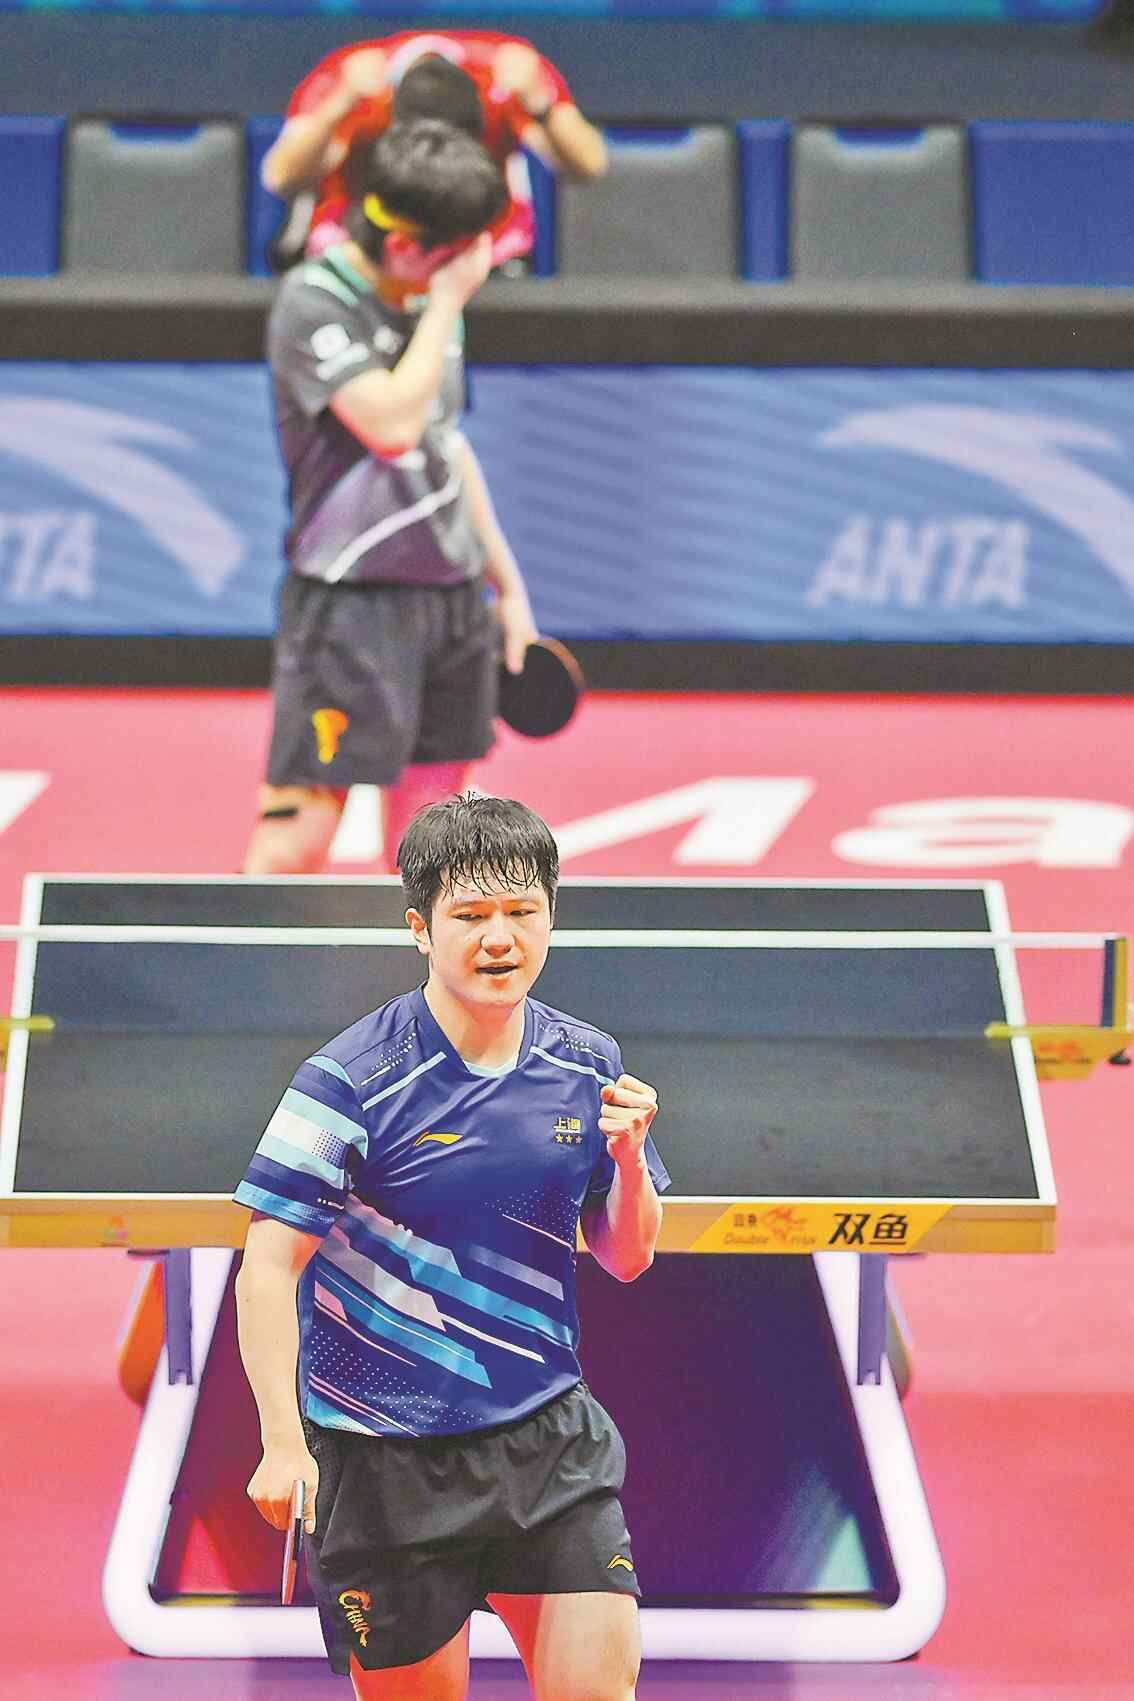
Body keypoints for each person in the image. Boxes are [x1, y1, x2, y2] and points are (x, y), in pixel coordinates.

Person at [234, 793, 668, 1700]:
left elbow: (625, 1256)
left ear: (551, 916)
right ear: (420, 929)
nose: (499, 938)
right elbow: (268, 1266)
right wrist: (281, 1441)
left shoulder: (586, 1063)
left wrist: (629, 1162)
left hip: (546, 1440)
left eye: (521, 911)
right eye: (470, 915)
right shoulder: (349, 1080)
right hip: (384, 1457)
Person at [242, 118, 539, 876]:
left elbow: (444, 445)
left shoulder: (431, 296)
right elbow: (391, 426)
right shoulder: (314, 303)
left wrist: (507, 589)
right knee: (298, 837)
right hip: (350, 607)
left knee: (430, 852)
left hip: (451, 605)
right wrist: (443, 306)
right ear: (405, 245)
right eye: (462, 251)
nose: (477, 265)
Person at [260, 30, 608, 270]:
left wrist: (541, 105)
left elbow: (590, 166)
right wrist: (338, 104)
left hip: (481, 253)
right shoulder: (348, 78)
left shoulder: (512, 75)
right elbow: (280, 178)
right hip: (363, 252)